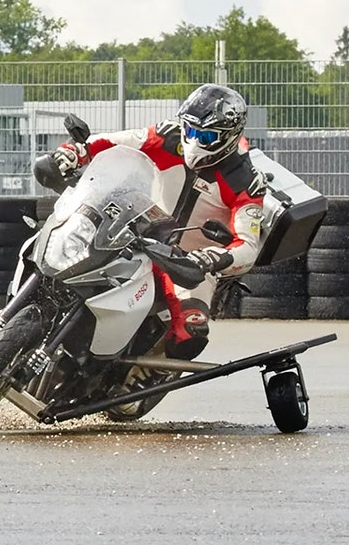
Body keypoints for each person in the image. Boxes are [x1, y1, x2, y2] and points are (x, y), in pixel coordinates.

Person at [49, 83, 267, 362]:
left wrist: (211, 258)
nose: (194, 141)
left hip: (187, 263)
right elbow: (114, 143)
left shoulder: (246, 180)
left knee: (191, 332)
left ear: (229, 136)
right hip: (133, 234)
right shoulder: (167, 135)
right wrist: (77, 151)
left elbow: (248, 246)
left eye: (206, 135)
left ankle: (144, 375)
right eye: (190, 130)